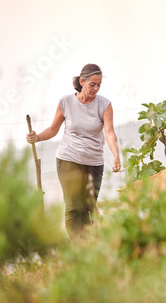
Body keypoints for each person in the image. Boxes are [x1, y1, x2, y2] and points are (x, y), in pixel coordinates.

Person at [26, 63, 121, 242]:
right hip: (68, 158)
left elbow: (109, 132)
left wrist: (116, 155)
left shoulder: (105, 105)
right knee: (74, 206)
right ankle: (79, 245)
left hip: (94, 162)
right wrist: (37, 137)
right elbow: (53, 130)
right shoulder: (66, 102)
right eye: (92, 84)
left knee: (88, 207)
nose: (96, 88)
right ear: (81, 81)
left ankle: (86, 246)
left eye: (99, 84)